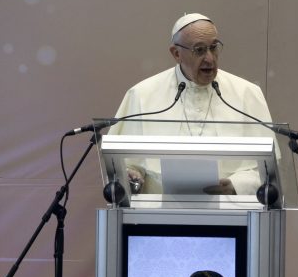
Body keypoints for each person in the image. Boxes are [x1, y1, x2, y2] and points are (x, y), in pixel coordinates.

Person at [110, 13, 274, 195]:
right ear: (176, 53)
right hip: (158, 215)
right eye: (199, 50)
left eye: (214, 48)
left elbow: (269, 168)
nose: (210, 59)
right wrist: (132, 175)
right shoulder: (142, 94)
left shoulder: (247, 94)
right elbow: (125, 164)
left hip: (232, 213)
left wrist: (236, 185)